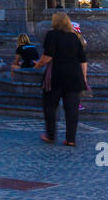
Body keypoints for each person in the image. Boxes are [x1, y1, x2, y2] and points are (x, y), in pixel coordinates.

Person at [35, 10, 88, 147]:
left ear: (55, 22)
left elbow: (48, 56)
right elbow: (83, 60)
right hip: (74, 76)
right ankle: (70, 139)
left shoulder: (51, 35)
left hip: (56, 77)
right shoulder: (74, 37)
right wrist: (84, 78)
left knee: (50, 106)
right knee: (72, 109)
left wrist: (38, 65)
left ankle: (50, 135)